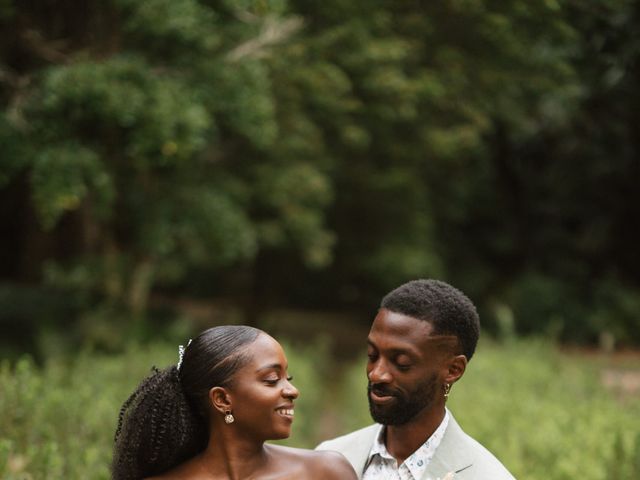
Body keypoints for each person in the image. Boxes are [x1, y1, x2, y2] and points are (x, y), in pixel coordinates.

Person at [317, 279, 515, 480]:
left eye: (401, 362)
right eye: (372, 355)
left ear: (453, 370)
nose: (376, 374)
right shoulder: (326, 458)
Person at [113, 325, 357, 480]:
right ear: (222, 399)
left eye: (288, 378)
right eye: (272, 380)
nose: (293, 391)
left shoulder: (325, 472)